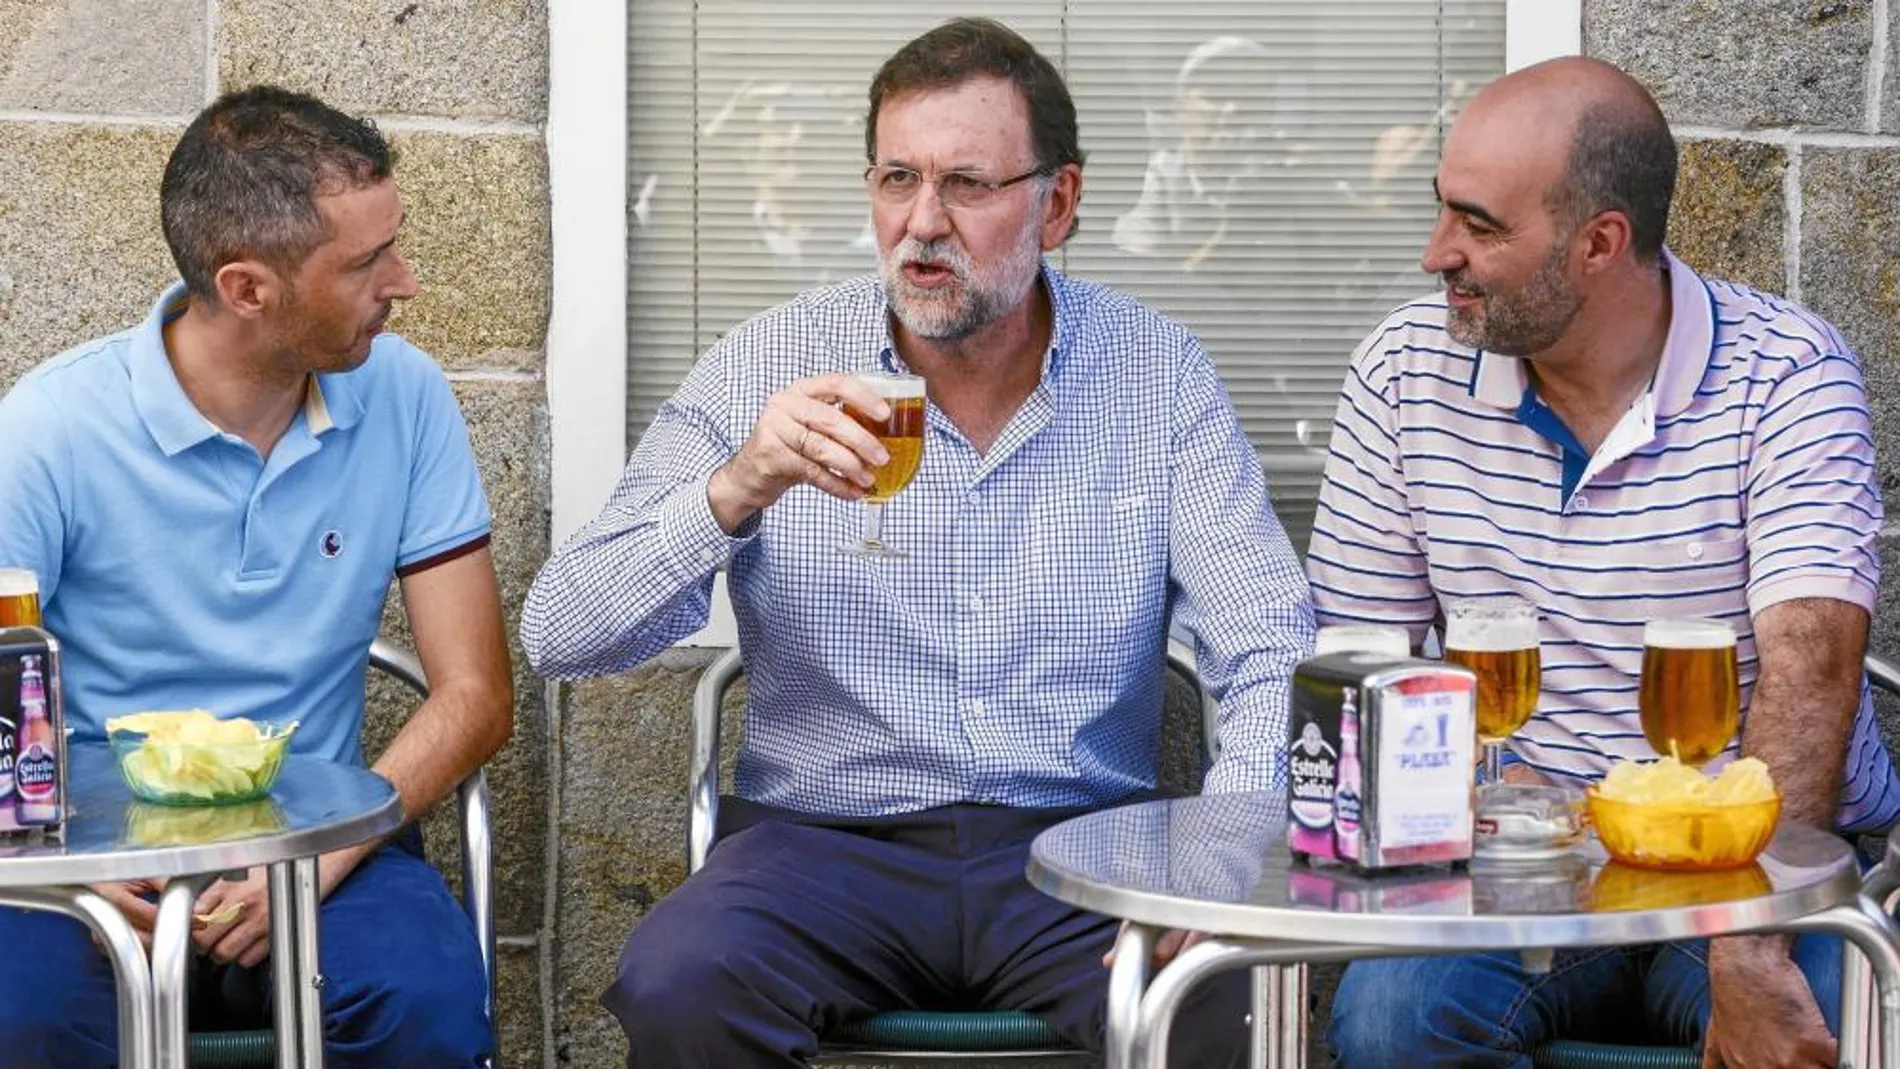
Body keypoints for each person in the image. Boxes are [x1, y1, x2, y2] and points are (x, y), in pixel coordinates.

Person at [521, 17, 1313, 1067]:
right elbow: (558, 632)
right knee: (681, 982)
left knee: (1231, 1000)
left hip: (1080, 849)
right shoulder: (771, 361)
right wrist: (736, 487)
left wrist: (1229, 850)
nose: (921, 224)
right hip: (820, 848)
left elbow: (1266, 637)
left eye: (967, 185)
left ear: (1058, 203)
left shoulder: (1155, 376)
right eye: (897, 178)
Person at [1308, 56, 1894, 1069]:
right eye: (1441, 209)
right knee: (1388, 1020)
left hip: (1755, 871)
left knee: (1842, 1016)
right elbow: (1358, 659)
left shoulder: (1788, 373)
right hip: (1510, 873)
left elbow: (1813, 661)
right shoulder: (1404, 368)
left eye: (1478, 225)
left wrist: (1746, 943)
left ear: (1598, 244)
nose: (1433, 253)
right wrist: (1470, 807)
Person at [0, 86, 513, 1067]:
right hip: (78, 867)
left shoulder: (404, 395)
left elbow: (478, 694)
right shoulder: (49, 428)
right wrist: (53, 865)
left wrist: (329, 853)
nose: (402, 282)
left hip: (323, 845)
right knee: (18, 1022)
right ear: (247, 288)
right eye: (366, 262)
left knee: (429, 1008)